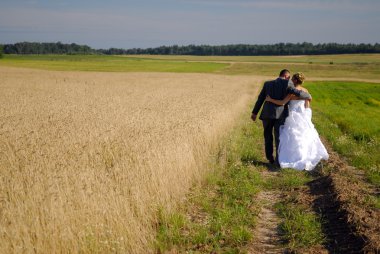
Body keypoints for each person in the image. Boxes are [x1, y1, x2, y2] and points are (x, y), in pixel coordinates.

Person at [265, 72, 329, 170]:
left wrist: (270, 99)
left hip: (292, 116)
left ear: (294, 80)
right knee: (304, 136)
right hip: (303, 115)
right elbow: (307, 105)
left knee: (291, 137)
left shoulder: (292, 92)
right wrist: (306, 115)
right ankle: (304, 156)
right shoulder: (305, 91)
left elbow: (282, 103)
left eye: (292, 79)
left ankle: (292, 158)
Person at [251, 69, 312, 165]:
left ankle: (269, 157)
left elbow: (260, 99)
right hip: (280, 115)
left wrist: (254, 113)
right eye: (289, 77)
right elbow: (298, 92)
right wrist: (308, 96)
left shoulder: (267, 84)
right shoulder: (287, 84)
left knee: (267, 136)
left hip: (267, 114)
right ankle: (278, 160)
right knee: (279, 137)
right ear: (287, 76)